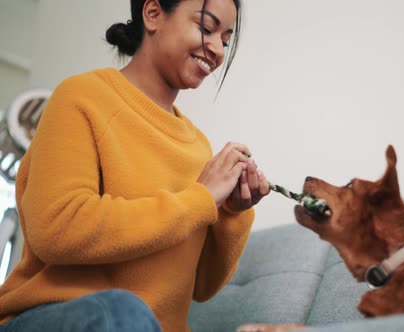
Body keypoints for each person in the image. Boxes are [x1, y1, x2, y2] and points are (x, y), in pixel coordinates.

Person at [0, 0, 269, 331]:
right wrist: (199, 198)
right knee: (122, 312)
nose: (216, 49)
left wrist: (231, 212)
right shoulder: (81, 98)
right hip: (54, 317)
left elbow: (200, 288)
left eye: (225, 40)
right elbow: (55, 228)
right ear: (153, 14)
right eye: (205, 28)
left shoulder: (199, 148)